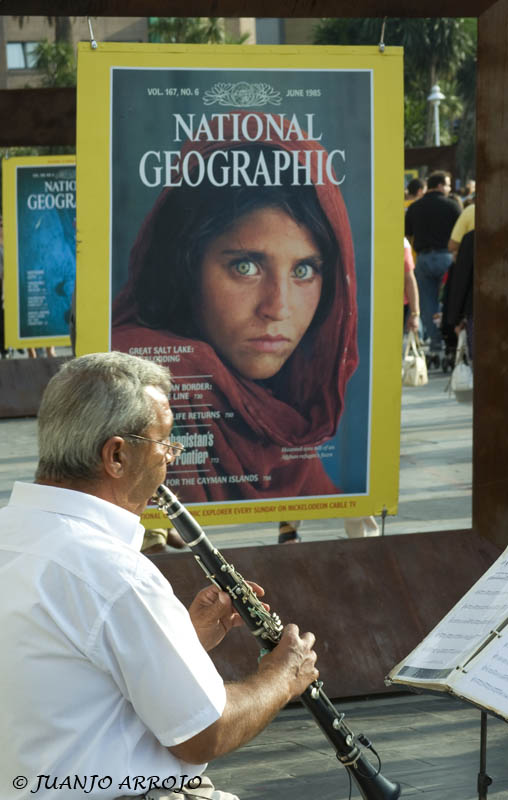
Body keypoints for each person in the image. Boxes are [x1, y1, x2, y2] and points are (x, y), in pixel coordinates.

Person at [0, 351, 319, 800]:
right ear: (115, 455)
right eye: (165, 443)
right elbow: (204, 732)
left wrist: (179, 640)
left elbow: (61, 674)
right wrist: (283, 676)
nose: (170, 458)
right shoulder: (114, 573)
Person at [112, 113, 359, 504]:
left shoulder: (281, 417)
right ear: (186, 265)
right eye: (245, 267)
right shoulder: (156, 380)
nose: (277, 308)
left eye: (304, 270)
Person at [405, 170, 460, 363]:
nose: (449, 188)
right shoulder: (452, 206)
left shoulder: (415, 207)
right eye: (447, 184)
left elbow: (408, 233)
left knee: (427, 305)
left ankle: (435, 346)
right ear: (439, 186)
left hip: (423, 259)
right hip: (446, 258)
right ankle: (449, 343)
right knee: (447, 302)